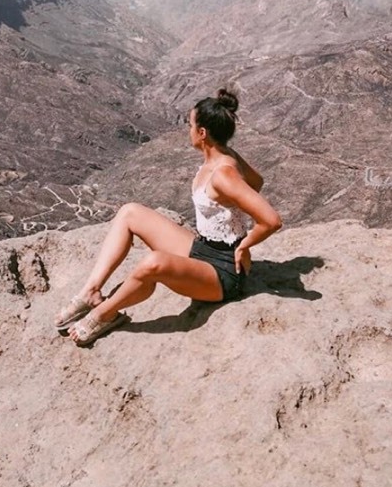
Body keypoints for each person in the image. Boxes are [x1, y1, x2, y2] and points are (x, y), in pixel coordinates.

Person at [55, 88, 282, 346]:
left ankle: (104, 314)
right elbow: (257, 182)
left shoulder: (223, 174)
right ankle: (91, 293)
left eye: (190, 124)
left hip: (225, 274)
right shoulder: (227, 157)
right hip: (205, 249)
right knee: (130, 212)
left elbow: (271, 220)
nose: (189, 130)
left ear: (202, 133)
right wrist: (234, 209)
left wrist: (244, 245)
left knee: (152, 264)